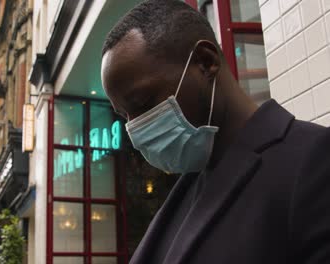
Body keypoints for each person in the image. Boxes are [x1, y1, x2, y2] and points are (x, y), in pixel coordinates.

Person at [100, 0, 330, 263]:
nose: (135, 128)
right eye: (124, 116)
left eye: (142, 103)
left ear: (206, 62)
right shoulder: (188, 186)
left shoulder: (314, 161)